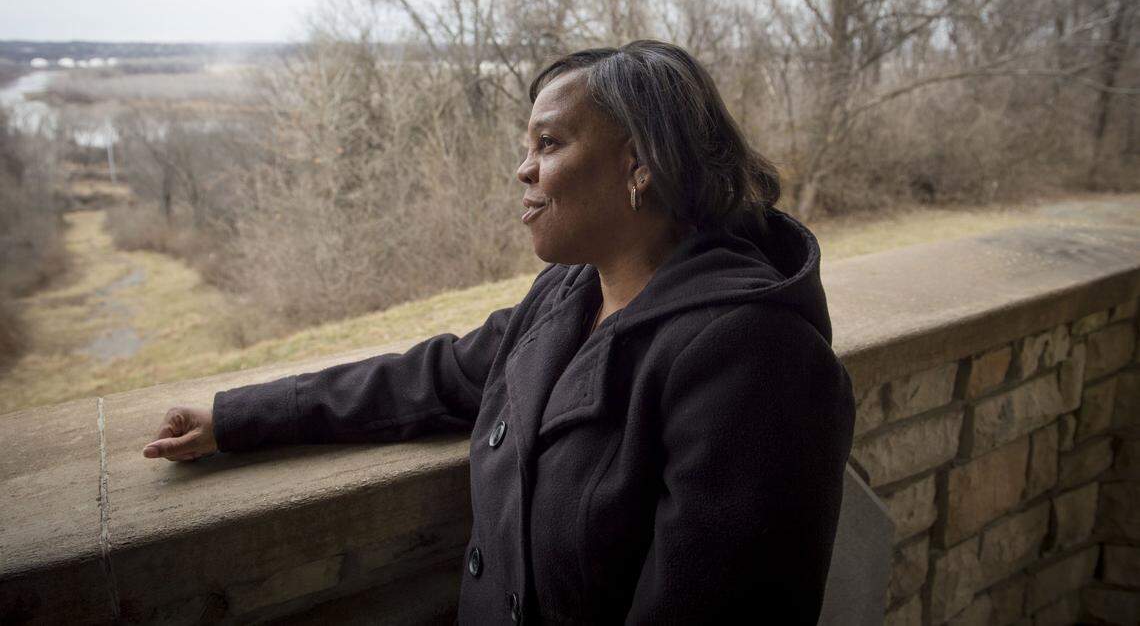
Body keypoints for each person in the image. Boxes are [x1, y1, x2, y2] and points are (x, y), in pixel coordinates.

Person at [143, 39, 856, 624]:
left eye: (548, 143)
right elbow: (435, 378)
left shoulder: (756, 357)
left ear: (638, 164)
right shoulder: (570, 293)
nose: (523, 169)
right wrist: (236, 418)